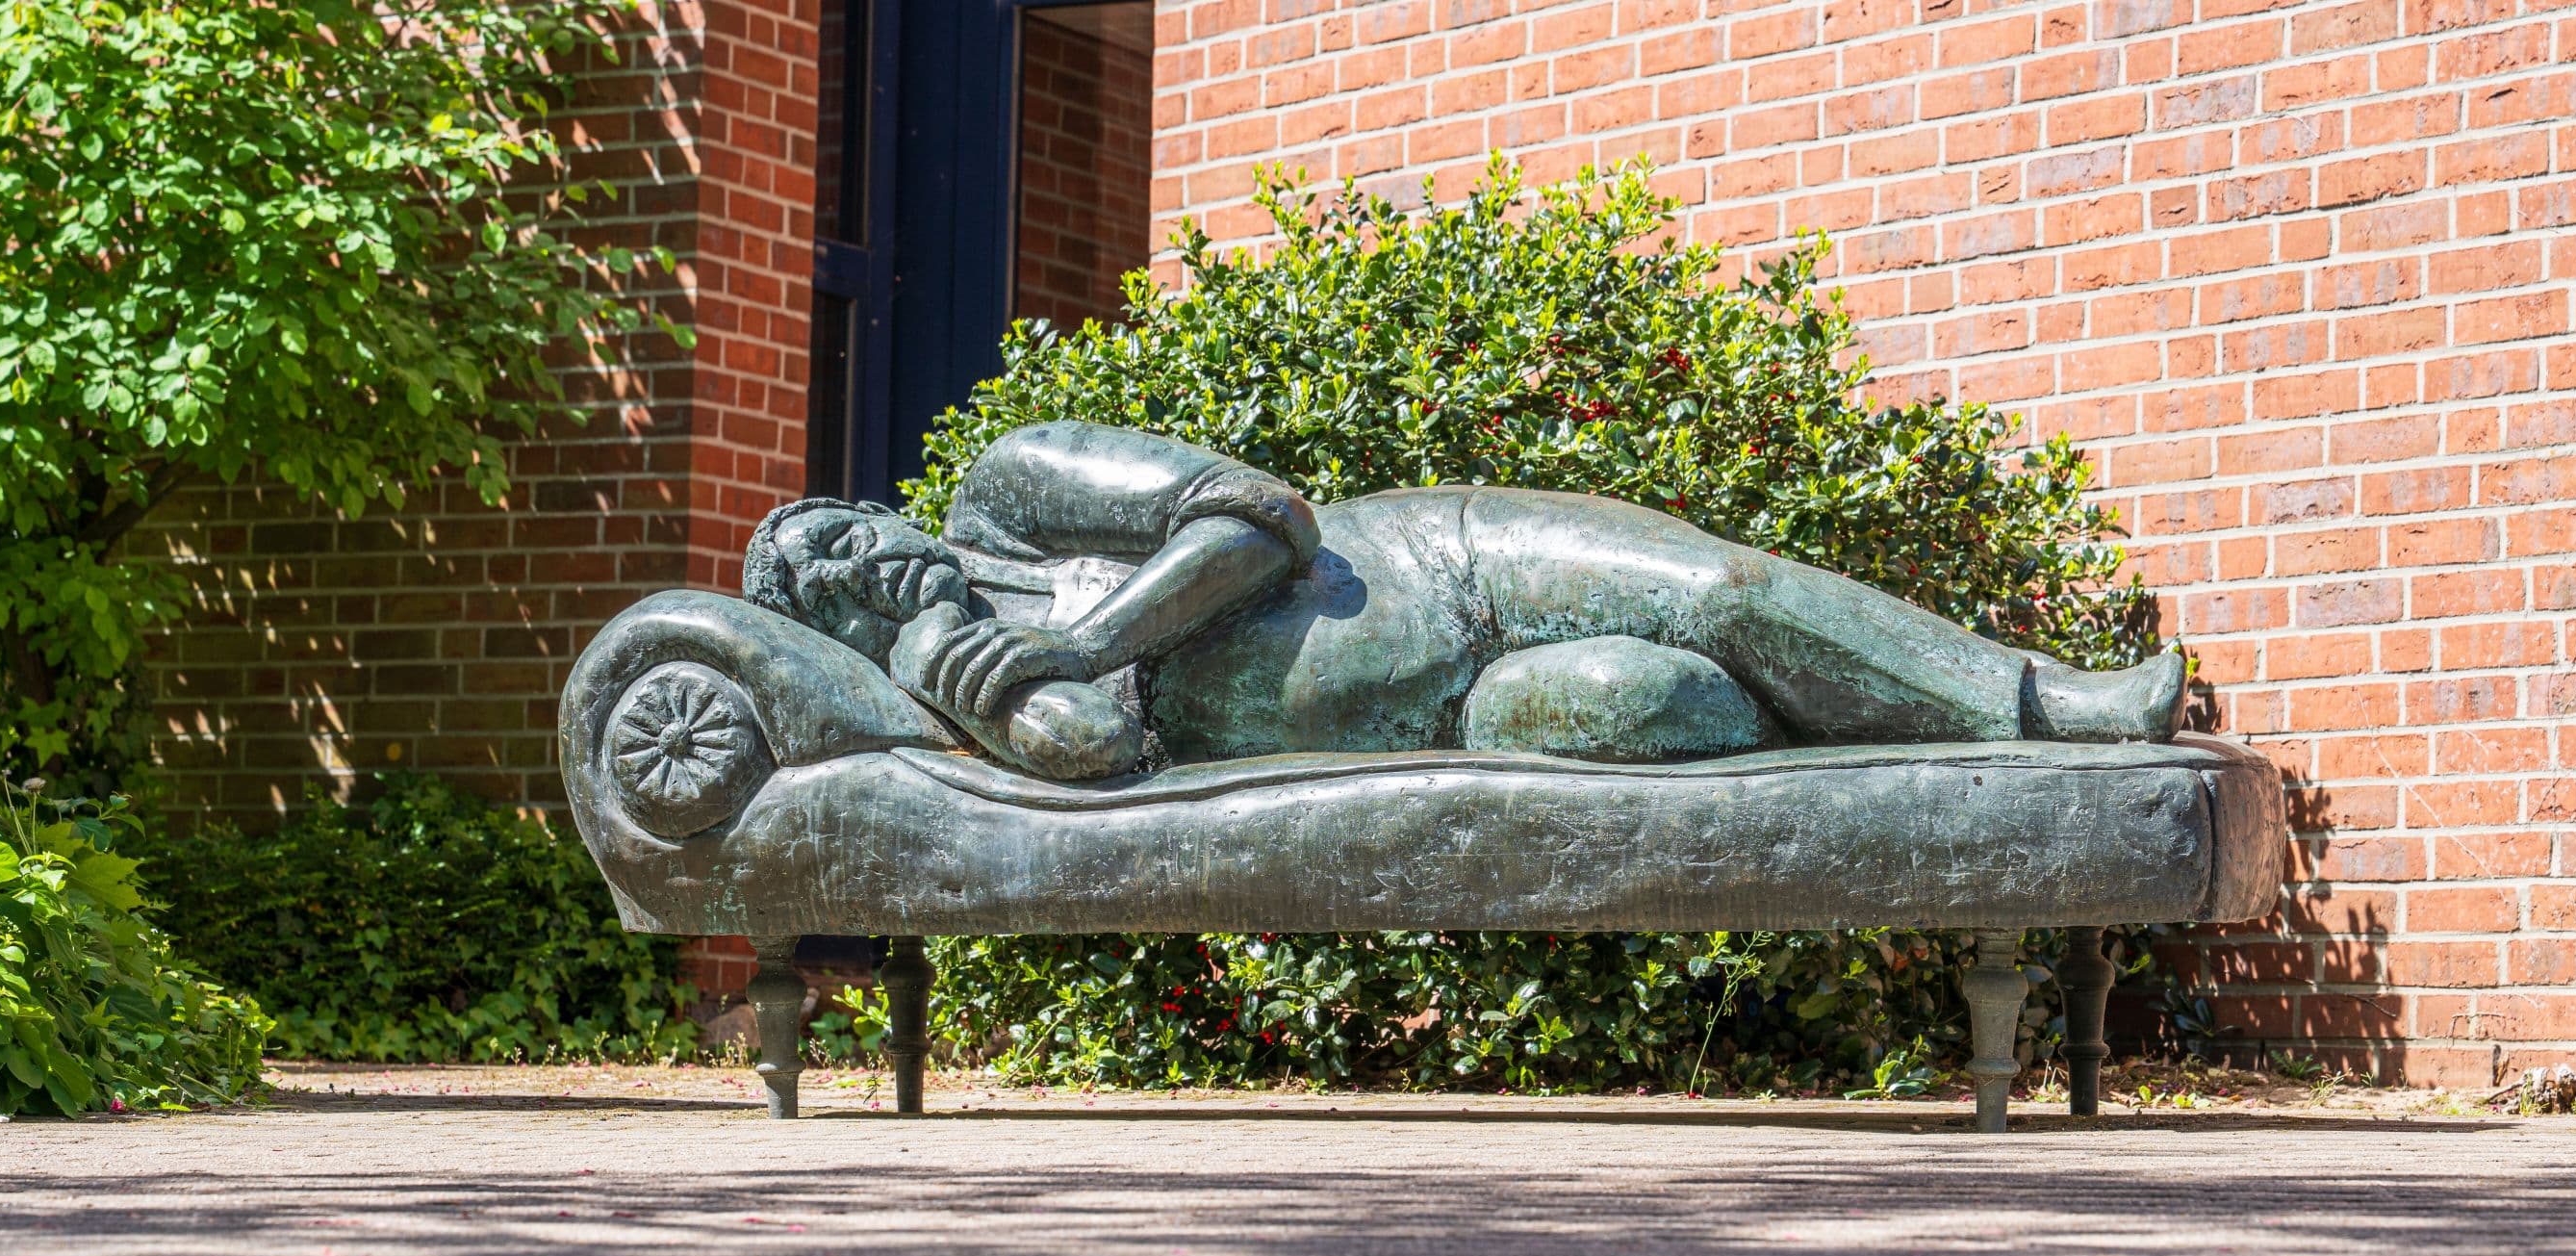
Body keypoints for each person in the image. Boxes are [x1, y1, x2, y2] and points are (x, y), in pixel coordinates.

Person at [741, 421, 2186, 782]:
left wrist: (1085, 633)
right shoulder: (965, 674)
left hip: (1450, 563)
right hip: (1455, 711)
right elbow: (1096, 754)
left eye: (836, 534)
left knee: (1729, 594)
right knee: (1665, 704)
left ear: (882, 516)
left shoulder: (1003, 496)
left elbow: (1259, 516)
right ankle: (1951, 774)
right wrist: (953, 667)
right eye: (824, 589)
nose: (848, 565)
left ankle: (2042, 705)